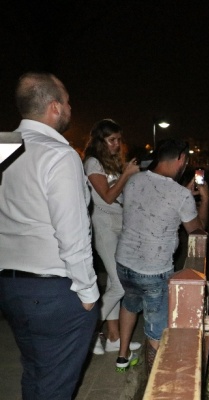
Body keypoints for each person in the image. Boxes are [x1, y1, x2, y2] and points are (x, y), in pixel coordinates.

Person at [0, 72, 100, 399]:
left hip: (11, 287)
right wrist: (88, 292)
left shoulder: (3, 146)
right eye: (68, 101)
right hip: (55, 292)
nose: (71, 107)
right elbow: (72, 231)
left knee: (36, 373)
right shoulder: (60, 155)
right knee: (54, 386)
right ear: (55, 108)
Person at [115, 139, 209, 373]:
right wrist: (205, 200)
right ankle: (155, 380)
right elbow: (197, 231)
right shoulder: (180, 195)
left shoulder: (134, 180)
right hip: (153, 271)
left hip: (124, 263)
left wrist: (182, 196)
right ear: (181, 159)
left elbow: (150, 206)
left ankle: (122, 355)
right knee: (156, 332)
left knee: (129, 303)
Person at [82, 119, 141, 355]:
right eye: (112, 140)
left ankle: (114, 339)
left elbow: (117, 193)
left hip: (120, 224)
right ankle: (88, 330)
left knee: (120, 282)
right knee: (118, 284)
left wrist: (127, 177)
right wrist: (126, 175)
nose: (117, 144)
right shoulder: (92, 162)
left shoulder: (111, 162)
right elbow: (106, 197)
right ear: (100, 140)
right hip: (104, 227)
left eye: (119, 139)